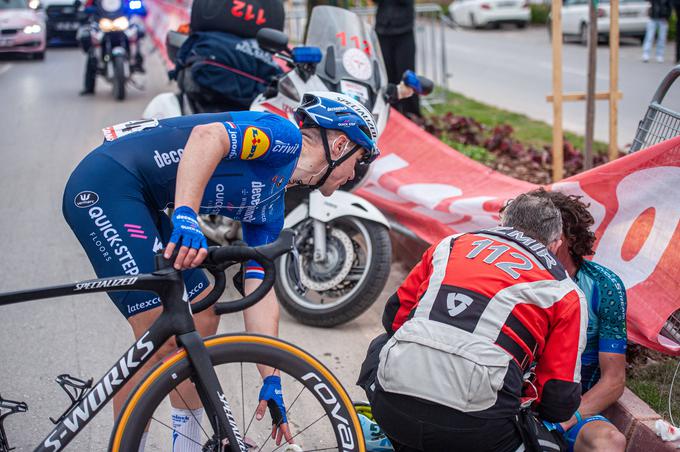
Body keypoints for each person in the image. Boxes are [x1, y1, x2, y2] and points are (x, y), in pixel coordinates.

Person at [62, 91, 379, 451]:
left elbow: (259, 290)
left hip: (141, 198)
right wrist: (185, 215)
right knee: (157, 332)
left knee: (201, 314)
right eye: (360, 160)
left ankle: (189, 446)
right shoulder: (283, 137)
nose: (355, 173)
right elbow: (208, 137)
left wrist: (271, 377)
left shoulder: (270, 206)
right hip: (106, 186)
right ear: (339, 144)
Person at [357, 192, 588, 451]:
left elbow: (395, 318)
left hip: (393, 409)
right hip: (478, 433)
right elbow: (558, 400)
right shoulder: (565, 291)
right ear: (556, 245)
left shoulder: (450, 245)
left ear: (503, 224)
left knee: (382, 344)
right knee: (548, 442)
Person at [530, 189, 627, 452]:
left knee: (610, 442)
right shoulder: (518, 275)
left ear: (567, 238)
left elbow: (614, 379)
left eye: (542, 232)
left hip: (570, 410)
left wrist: (560, 423)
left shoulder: (603, 286)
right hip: (514, 404)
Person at [374, 0, 421, 117]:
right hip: (383, 30)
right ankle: (390, 114)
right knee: (386, 76)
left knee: (407, 76)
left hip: (403, 32)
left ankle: (411, 115)